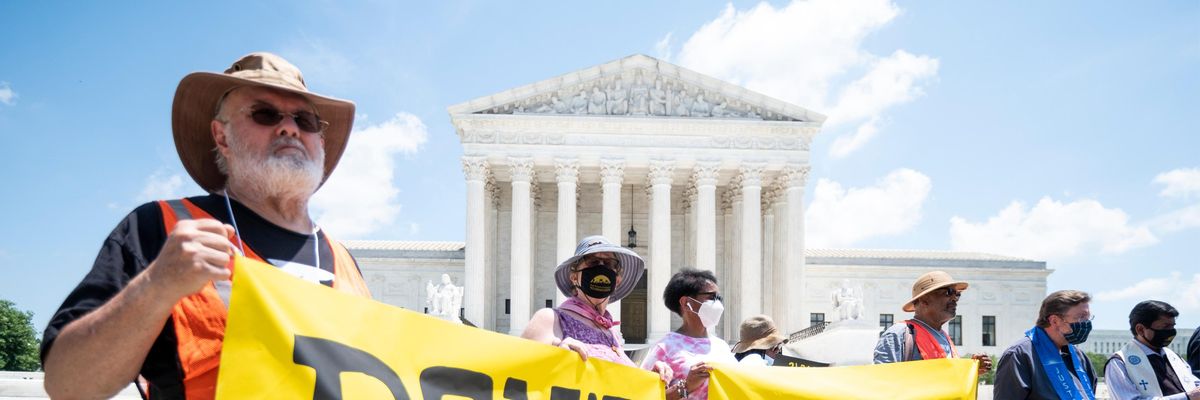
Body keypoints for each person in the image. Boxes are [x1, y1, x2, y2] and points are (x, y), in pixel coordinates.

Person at [39, 53, 371, 399]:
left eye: (306, 120)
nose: (289, 128)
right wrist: (157, 285)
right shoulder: (162, 226)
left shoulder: (342, 258)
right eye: (265, 114)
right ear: (222, 137)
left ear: (320, 141)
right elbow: (67, 385)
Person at [521, 236, 662, 374]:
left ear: (617, 280)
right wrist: (558, 355)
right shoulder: (550, 319)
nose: (601, 268)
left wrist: (651, 376)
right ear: (574, 277)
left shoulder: (612, 334)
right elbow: (518, 375)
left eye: (608, 264)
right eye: (593, 262)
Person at [641, 268, 737, 400]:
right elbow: (644, 396)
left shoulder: (722, 346)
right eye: (711, 297)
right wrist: (687, 386)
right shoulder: (665, 348)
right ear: (686, 303)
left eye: (719, 298)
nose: (718, 303)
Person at [874, 271, 992, 374]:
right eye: (948, 292)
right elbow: (884, 383)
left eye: (957, 294)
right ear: (924, 300)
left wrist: (972, 370)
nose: (954, 298)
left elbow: (948, 379)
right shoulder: (900, 334)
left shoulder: (945, 338)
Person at [994, 290, 1097, 400]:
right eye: (1081, 317)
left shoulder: (1079, 357)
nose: (1086, 323)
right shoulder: (1020, 355)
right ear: (1054, 320)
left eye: (1088, 318)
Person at [1104, 301, 1200, 399]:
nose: (1171, 331)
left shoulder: (1174, 357)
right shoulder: (1119, 363)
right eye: (1165, 326)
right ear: (1140, 329)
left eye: (1173, 326)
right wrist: (1187, 397)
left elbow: (1194, 384)